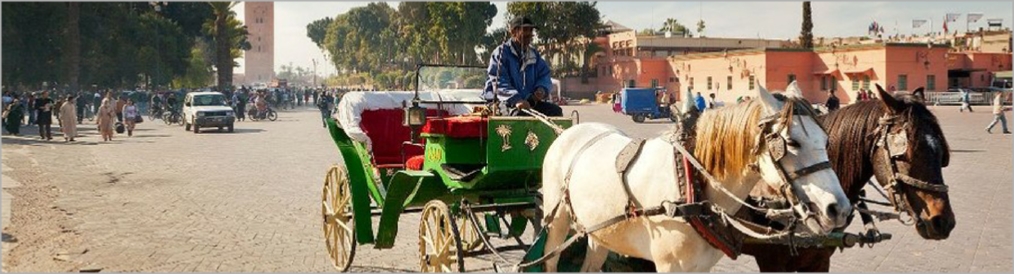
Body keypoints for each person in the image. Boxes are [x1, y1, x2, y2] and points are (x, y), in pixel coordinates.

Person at [483, 16, 563, 117]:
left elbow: (544, 75)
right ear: (513, 32)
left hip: (528, 102)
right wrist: (516, 99)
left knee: (555, 111)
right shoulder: (501, 53)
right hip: (504, 101)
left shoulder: (534, 54)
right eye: (525, 30)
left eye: (530, 30)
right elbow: (499, 81)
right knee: (519, 115)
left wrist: (541, 89)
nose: (529, 34)